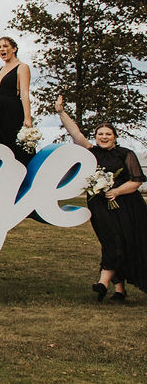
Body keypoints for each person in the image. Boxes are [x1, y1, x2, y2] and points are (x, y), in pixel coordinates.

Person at [57, 96, 147, 302]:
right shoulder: (91, 152)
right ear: (96, 136)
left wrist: (116, 191)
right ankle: (108, 285)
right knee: (111, 240)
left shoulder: (126, 154)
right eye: (100, 134)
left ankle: (113, 288)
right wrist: (61, 112)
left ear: (115, 137)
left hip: (126, 205)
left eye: (108, 134)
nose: (103, 137)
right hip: (99, 206)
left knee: (123, 242)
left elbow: (136, 181)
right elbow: (75, 133)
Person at [0, 36, 33, 165]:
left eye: (5, 46)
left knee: (15, 147)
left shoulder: (22, 67)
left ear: (14, 49)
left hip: (11, 112)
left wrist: (27, 117)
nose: (2, 49)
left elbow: (24, 93)